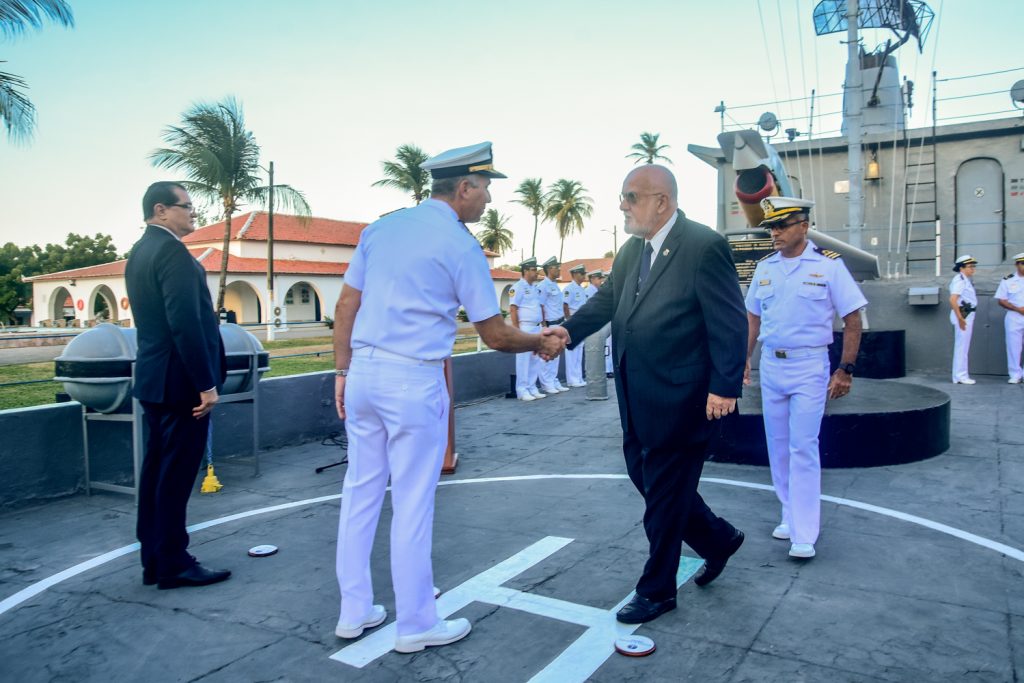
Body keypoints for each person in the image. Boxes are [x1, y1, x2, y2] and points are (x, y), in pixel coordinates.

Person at [331, 142, 564, 653]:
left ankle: (354, 611)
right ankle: (416, 623)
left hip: (365, 372)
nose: (487, 202)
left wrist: (342, 371)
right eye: (483, 190)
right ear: (462, 188)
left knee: (361, 492)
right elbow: (496, 335)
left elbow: (348, 303)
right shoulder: (459, 246)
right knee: (413, 500)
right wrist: (542, 341)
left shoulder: (382, 228)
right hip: (412, 379)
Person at [554, 164, 748, 625]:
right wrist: (566, 332)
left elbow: (730, 320)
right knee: (651, 481)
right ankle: (718, 538)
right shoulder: (631, 251)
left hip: (684, 396)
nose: (622, 205)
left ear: (662, 201)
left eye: (630, 196)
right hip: (637, 395)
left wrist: (725, 386)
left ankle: (657, 589)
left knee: (662, 495)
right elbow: (608, 302)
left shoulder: (703, 245)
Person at [744, 196, 867, 560]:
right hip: (772, 364)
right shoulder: (765, 268)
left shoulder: (828, 267)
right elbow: (752, 318)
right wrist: (742, 361)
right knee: (778, 446)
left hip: (810, 366)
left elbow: (853, 318)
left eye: (782, 225)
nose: (775, 233)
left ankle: (805, 532)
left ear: (804, 226)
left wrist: (845, 369)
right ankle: (789, 512)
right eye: (771, 227)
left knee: (803, 446)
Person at [125, 181, 230, 590]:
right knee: (174, 475)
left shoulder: (141, 251)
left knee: (156, 472)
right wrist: (205, 385)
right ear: (160, 210)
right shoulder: (171, 253)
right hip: (181, 384)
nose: (193, 214)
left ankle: (153, 556)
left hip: (155, 379)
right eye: (186, 207)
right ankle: (172, 561)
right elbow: (185, 324)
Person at [509, 257, 547, 401]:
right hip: (525, 328)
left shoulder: (534, 289)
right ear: (525, 271)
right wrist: (517, 331)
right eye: (533, 270)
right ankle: (522, 389)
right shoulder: (518, 287)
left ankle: (532, 386)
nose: (536, 272)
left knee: (535, 359)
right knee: (523, 360)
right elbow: (513, 309)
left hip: (536, 328)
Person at [538, 257, 570, 393]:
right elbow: (541, 306)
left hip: (559, 323)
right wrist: (544, 325)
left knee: (556, 353)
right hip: (550, 324)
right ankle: (546, 383)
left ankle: (553, 379)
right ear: (548, 269)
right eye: (556, 267)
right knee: (548, 353)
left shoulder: (555, 285)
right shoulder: (543, 286)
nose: (558, 269)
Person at [949, 255, 979, 384]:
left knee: (963, 346)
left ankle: (961, 375)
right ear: (961, 268)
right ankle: (960, 376)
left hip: (966, 313)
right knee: (962, 347)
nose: (973, 269)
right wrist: (960, 318)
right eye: (970, 267)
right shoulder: (960, 280)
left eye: (974, 266)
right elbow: (953, 299)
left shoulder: (965, 280)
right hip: (963, 314)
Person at [995, 252, 1024, 383]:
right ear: (1017, 265)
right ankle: (1015, 374)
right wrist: (1018, 309)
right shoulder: (1008, 280)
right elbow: (1001, 300)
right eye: (1023, 264)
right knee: (1013, 346)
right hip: (1014, 316)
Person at [561, 264, 588, 387]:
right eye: (581, 274)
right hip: (573, 322)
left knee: (579, 351)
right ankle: (572, 379)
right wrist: (569, 321)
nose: (584, 276)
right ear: (575, 274)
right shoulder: (569, 289)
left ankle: (578, 377)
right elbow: (565, 305)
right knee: (572, 352)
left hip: (581, 323)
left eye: (584, 273)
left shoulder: (581, 289)